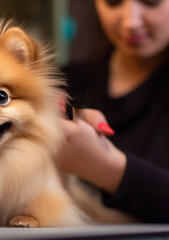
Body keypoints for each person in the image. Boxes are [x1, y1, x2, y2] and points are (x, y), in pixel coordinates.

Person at [59, 0, 169, 223]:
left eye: (151, 1)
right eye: (112, 2)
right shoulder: (64, 83)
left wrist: (108, 168)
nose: (131, 22)